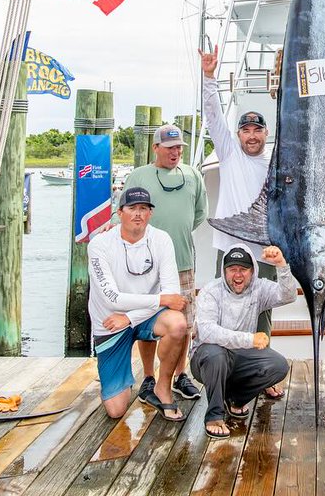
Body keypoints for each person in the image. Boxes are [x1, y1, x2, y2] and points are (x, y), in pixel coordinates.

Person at [199, 47, 283, 358]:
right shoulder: (229, 153)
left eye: (257, 130)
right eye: (245, 130)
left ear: (266, 133)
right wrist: (209, 77)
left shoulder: (276, 161)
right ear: (237, 135)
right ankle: (222, 361)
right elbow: (212, 114)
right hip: (229, 244)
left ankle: (261, 365)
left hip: (264, 248)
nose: (251, 135)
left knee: (263, 310)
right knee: (222, 306)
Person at [122, 124, 207, 404]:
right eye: (170, 147)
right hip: (146, 266)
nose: (176, 152)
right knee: (147, 321)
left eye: (179, 147)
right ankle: (148, 377)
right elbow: (127, 213)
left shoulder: (194, 175)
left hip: (182, 261)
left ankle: (180, 375)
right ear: (156, 148)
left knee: (183, 323)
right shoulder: (139, 176)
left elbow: (198, 215)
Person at [87, 186, 188, 421]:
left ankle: (162, 387)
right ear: (119, 212)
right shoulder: (99, 244)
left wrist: (131, 317)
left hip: (141, 317)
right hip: (111, 322)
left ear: (150, 213)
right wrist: (159, 300)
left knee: (178, 324)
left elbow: (172, 293)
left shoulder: (162, 239)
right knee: (115, 410)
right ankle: (119, 378)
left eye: (144, 208)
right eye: (132, 208)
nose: (138, 214)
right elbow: (112, 297)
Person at [191, 244, 296, 439]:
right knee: (216, 354)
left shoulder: (259, 287)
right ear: (224, 271)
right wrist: (250, 339)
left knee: (279, 365)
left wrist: (281, 264)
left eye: (243, 269)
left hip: (239, 357)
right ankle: (214, 415)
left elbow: (288, 295)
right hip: (206, 360)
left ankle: (237, 400)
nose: (237, 275)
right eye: (232, 269)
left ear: (252, 270)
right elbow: (207, 332)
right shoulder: (210, 291)